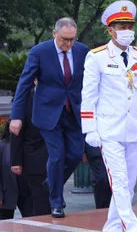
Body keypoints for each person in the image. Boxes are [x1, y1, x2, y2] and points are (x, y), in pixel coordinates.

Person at [81, 0, 137, 232]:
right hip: (109, 131)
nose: (127, 29)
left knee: (127, 181)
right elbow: (88, 96)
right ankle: (133, 228)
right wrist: (90, 129)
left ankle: (112, 228)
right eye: (121, 25)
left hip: (135, 130)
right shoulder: (97, 58)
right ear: (110, 30)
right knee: (119, 181)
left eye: (129, 25)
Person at [9, 17, 88, 218]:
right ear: (54, 34)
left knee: (76, 154)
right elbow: (24, 84)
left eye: (72, 39)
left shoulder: (83, 51)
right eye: (64, 39)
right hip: (47, 113)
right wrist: (16, 116)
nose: (68, 44)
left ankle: (51, 182)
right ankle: (57, 203)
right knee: (57, 155)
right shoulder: (39, 52)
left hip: (74, 112)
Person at [10, 82, 51, 216]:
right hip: (33, 156)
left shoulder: (56, 95)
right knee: (40, 197)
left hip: (54, 153)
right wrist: (15, 161)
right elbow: (16, 132)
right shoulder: (24, 98)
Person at [1, 122, 34, 219]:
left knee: (33, 223)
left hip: (27, 192)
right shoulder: (2, 146)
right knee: (4, 226)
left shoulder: (30, 147)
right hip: (7, 193)